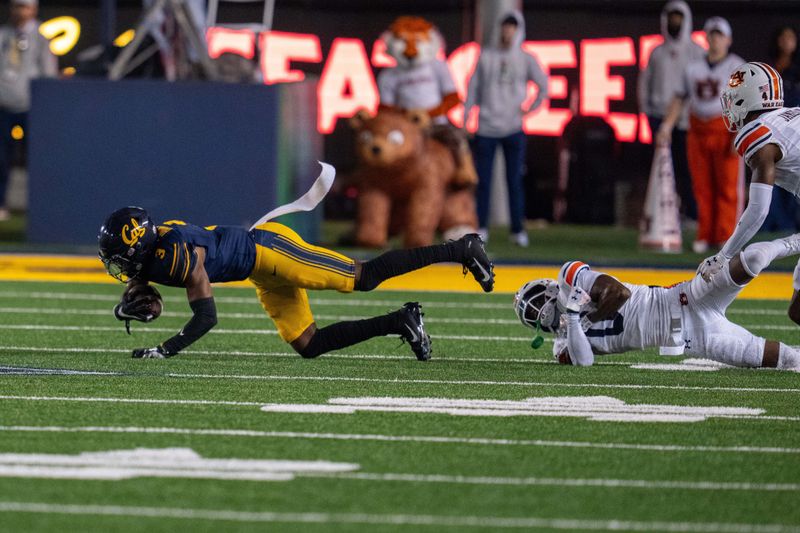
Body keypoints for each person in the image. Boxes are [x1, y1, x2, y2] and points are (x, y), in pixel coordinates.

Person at [98, 206, 495, 361]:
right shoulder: (152, 253)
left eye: (119, 255)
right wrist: (125, 304)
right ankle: (401, 321)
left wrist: (164, 350)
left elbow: (206, 317)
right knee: (310, 344)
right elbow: (138, 283)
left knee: (365, 276)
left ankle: (462, 248)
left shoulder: (175, 253)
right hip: (256, 272)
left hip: (270, 250)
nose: (118, 266)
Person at [513, 240, 800, 371]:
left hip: (683, 298)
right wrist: (576, 319)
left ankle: (794, 242)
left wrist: (588, 316)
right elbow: (584, 361)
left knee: (751, 260)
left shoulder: (569, 276)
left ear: (549, 287)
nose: (537, 312)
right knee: (785, 360)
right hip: (692, 338)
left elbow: (619, 293)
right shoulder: (562, 345)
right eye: (531, 314)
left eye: (536, 301)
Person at [697, 62, 800, 311]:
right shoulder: (791, 116)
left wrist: (723, 256)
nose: (730, 105)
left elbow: (759, 209)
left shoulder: (759, 133)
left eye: (734, 97)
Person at [657, 17, 744, 254]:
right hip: (697, 130)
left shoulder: (737, 66)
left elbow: (747, 102)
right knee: (702, 187)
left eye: (720, 35)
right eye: (712, 35)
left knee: (727, 186)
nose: (715, 40)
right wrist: (667, 125)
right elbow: (679, 97)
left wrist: (742, 133)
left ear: (728, 39)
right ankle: (706, 234)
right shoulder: (693, 68)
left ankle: (726, 235)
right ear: (706, 38)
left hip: (726, 130)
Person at [464, 10, 548, 248]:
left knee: (514, 181)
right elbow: (473, 88)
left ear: (518, 30)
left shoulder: (525, 58)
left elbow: (544, 86)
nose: (507, 31)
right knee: (484, 181)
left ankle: (517, 230)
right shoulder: (486, 56)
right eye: (504, 26)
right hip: (487, 126)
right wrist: (466, 117)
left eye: (512, 27)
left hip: (513, 127)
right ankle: (481, 227)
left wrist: (528, 109)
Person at [638, 0, 705, 223]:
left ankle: (692, 213)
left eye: (678, 17)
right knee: (662, 170)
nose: (674, 22)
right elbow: (644, 83)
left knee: (687, 169)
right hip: (658, 117)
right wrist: (647, 110)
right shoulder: (656, 52)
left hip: (686, 120)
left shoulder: (697, 52)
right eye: (671, 17)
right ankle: (662, 216)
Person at [0, 0, 56, 221]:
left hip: (32, 107)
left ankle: (39, 207)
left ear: (33, 9)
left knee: (37, 159)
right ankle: (1, 203)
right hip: (3, 105)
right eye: (15, 5)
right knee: (2, 158)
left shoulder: (41, 39)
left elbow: (48, 73)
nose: (19, 11)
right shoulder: (3, 34)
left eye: (23, 6)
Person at [762, 27, 800, 232]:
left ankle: (790, 225)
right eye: (783, 37)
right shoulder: (770, 67)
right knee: (771, 174)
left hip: (795, 128)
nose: (786, 41)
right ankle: (770, 223)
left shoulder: (797, 68)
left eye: (791, 37)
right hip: (773, 125)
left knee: (793, 175)